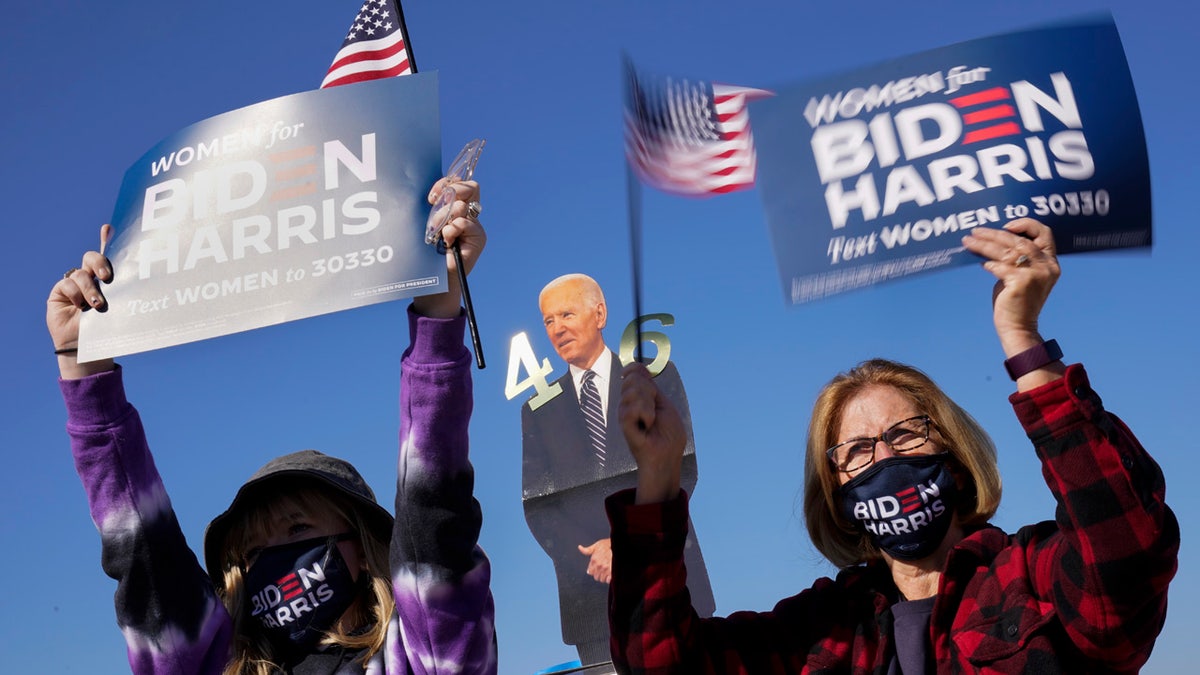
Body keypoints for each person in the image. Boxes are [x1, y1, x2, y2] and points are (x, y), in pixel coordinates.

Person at [608, 219, 1179, 673]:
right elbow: (661, 662)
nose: (884, 457)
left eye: (905, 433)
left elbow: (1127, 557)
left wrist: (1024, 342)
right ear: (835, 492)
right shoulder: (824, 628)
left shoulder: (1032, 576)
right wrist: (659, 475)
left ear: (953, 455)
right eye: (855, 451)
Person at [48, 176, 497, 674]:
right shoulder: (213, 665)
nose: (278, 556)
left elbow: (433, 510)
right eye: (255, 549)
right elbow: (141, 554)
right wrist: (82, 363)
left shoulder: (420, 657)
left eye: (300, 528)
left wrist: (439, 310)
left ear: (367, 550)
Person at [520, 273, 714, 666]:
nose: (557, 329)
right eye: (548, 321)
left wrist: (623, 545)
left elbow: (682, 466)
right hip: (591, 604)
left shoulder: (654, 378)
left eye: (566, 314)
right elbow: (540, 508)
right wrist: (594, 558)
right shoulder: (536, 412)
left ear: (600, 313)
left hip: (673, 583)